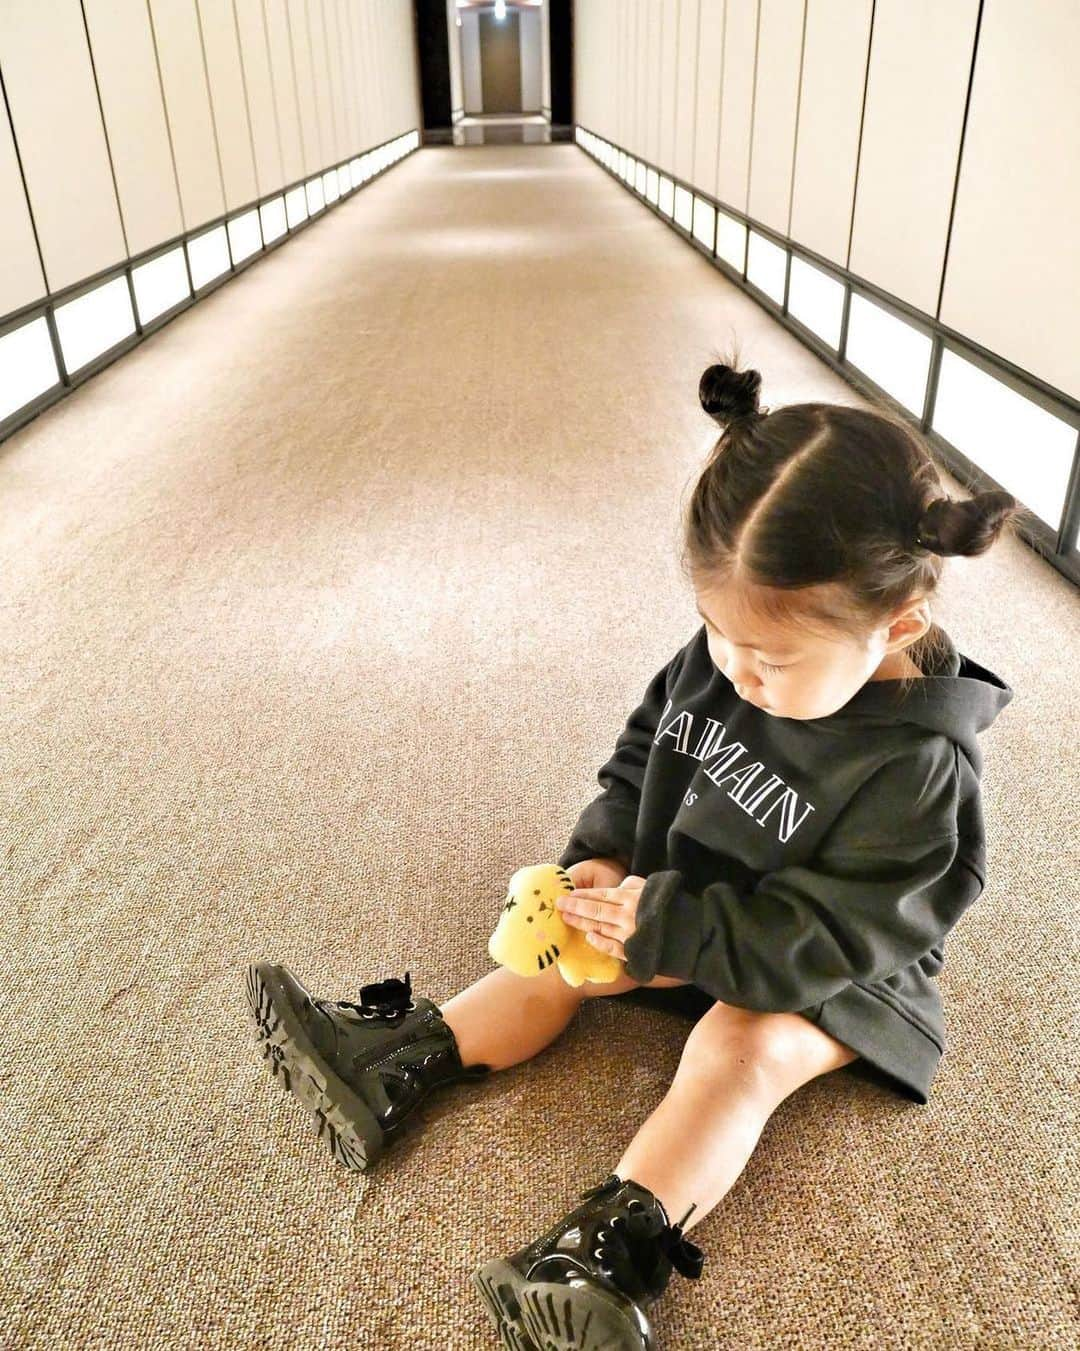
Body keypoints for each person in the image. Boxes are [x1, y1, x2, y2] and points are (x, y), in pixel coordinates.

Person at [244, 351, 1023, 1350]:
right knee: (557, 952)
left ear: (898, 623)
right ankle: (394, 1056)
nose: (733, 674)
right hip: (686, 900)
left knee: (739, 1046)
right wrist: (605, 865)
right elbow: (638, 759)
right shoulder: (729, 649)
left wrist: (674, 932)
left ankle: (608, 1251)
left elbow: (835, 936)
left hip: (834, 969)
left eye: (769, 660)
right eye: (715, 635)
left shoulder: (922, 772)